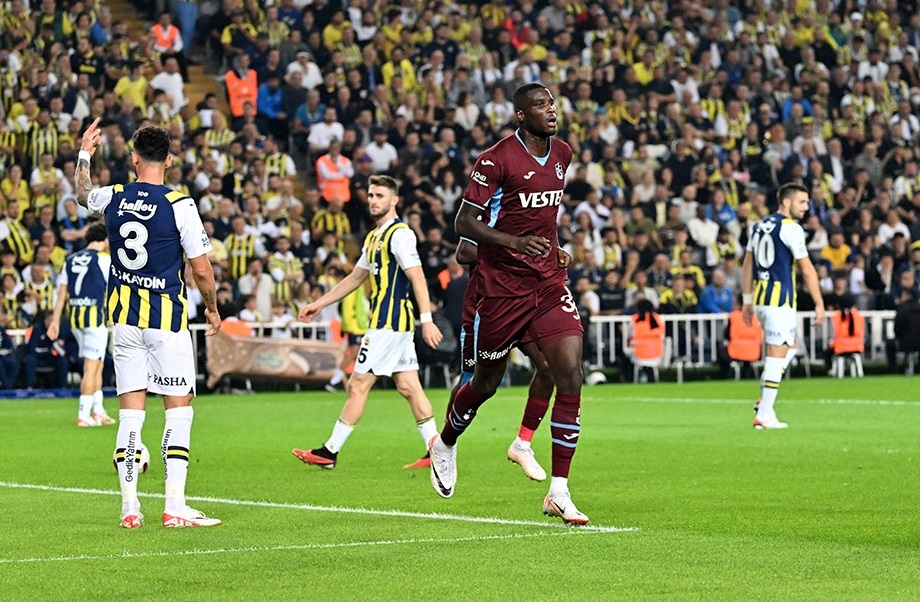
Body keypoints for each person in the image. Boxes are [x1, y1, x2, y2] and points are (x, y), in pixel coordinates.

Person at [428, 83, 588, 525]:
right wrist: (515, 244)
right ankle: (445, 442)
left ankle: (559, 492)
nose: (550, 111)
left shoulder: (563, 154)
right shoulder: (495, 160)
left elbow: (544, 218)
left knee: (569, 373)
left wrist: (554, 248)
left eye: (552, 103)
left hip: (548, 284)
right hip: (500, 291)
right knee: (485, 384)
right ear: (521, 114)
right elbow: (464, 224)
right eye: (540, 105)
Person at [76, 119, 222, 529]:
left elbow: (83, 194)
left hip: (124, 322)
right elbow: (201, 269)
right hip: (166, 322)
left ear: (133, 158)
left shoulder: (114, 196)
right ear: (169, 160)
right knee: (178, 410)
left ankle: (130, 508)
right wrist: (211, 309)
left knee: (130, 414)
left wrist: (85, 153)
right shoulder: (180, 204)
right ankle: (174, 506)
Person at [292, 175, 443, 469]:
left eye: (380, 196)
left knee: (357, 384)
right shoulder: (374, 236)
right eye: (371, 195)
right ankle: (435, 449)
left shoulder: (400, 234)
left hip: (389, 323)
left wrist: (427, 320)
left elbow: (417, 277)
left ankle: (329, 452)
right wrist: (319, 304)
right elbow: (355, 277)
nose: (373, 200)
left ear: (394, 200)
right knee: (409, 386)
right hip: (391, 324)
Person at [742, 183, 825, 429]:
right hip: (780, 300)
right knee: (776, 357)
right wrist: (819, 303)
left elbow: (747, 265)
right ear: (786, 202)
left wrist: (747, 300)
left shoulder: (758, 225)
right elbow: (807, 269)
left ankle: (765, 397)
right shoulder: (791, 228)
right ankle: (764, 414)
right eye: (802, 202)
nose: (806, 207)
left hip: (761, 298)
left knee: (790, 348)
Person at [47, 222, 116, 427]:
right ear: (105, 240)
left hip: (76, 317)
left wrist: (55, 321)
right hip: (94, 317)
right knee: (91, 366)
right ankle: (83, 414)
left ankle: (99, 411)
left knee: (98, 363)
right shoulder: (105, 259)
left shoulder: (70, 259)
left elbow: (62, 293)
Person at [324, 277, 368, 393]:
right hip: (355, 327)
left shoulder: (360, 287)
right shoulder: (354, 287)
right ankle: (335, 381)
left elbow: (362, 307)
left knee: (358, 354)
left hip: (360, 326)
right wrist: (349, 327)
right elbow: (349, 310)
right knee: (354, 353)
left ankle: (357, 381)